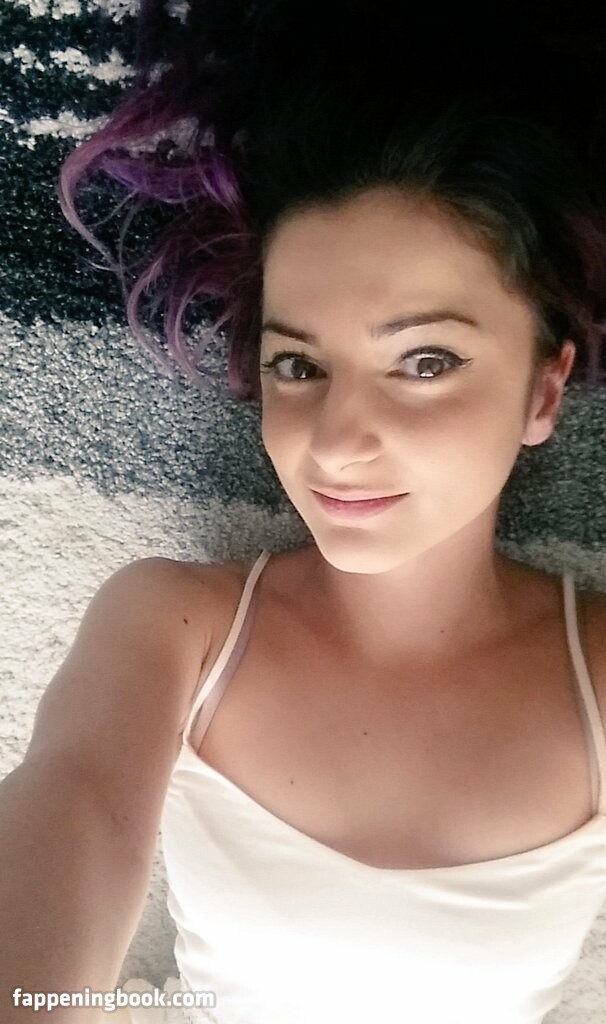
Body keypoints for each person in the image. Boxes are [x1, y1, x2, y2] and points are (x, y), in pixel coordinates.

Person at [2, 1, 606, 1022]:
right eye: (298, 365)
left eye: (425, 361)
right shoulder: (174, 630)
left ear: (544, 390)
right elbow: (73, 807)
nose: (333, 442)